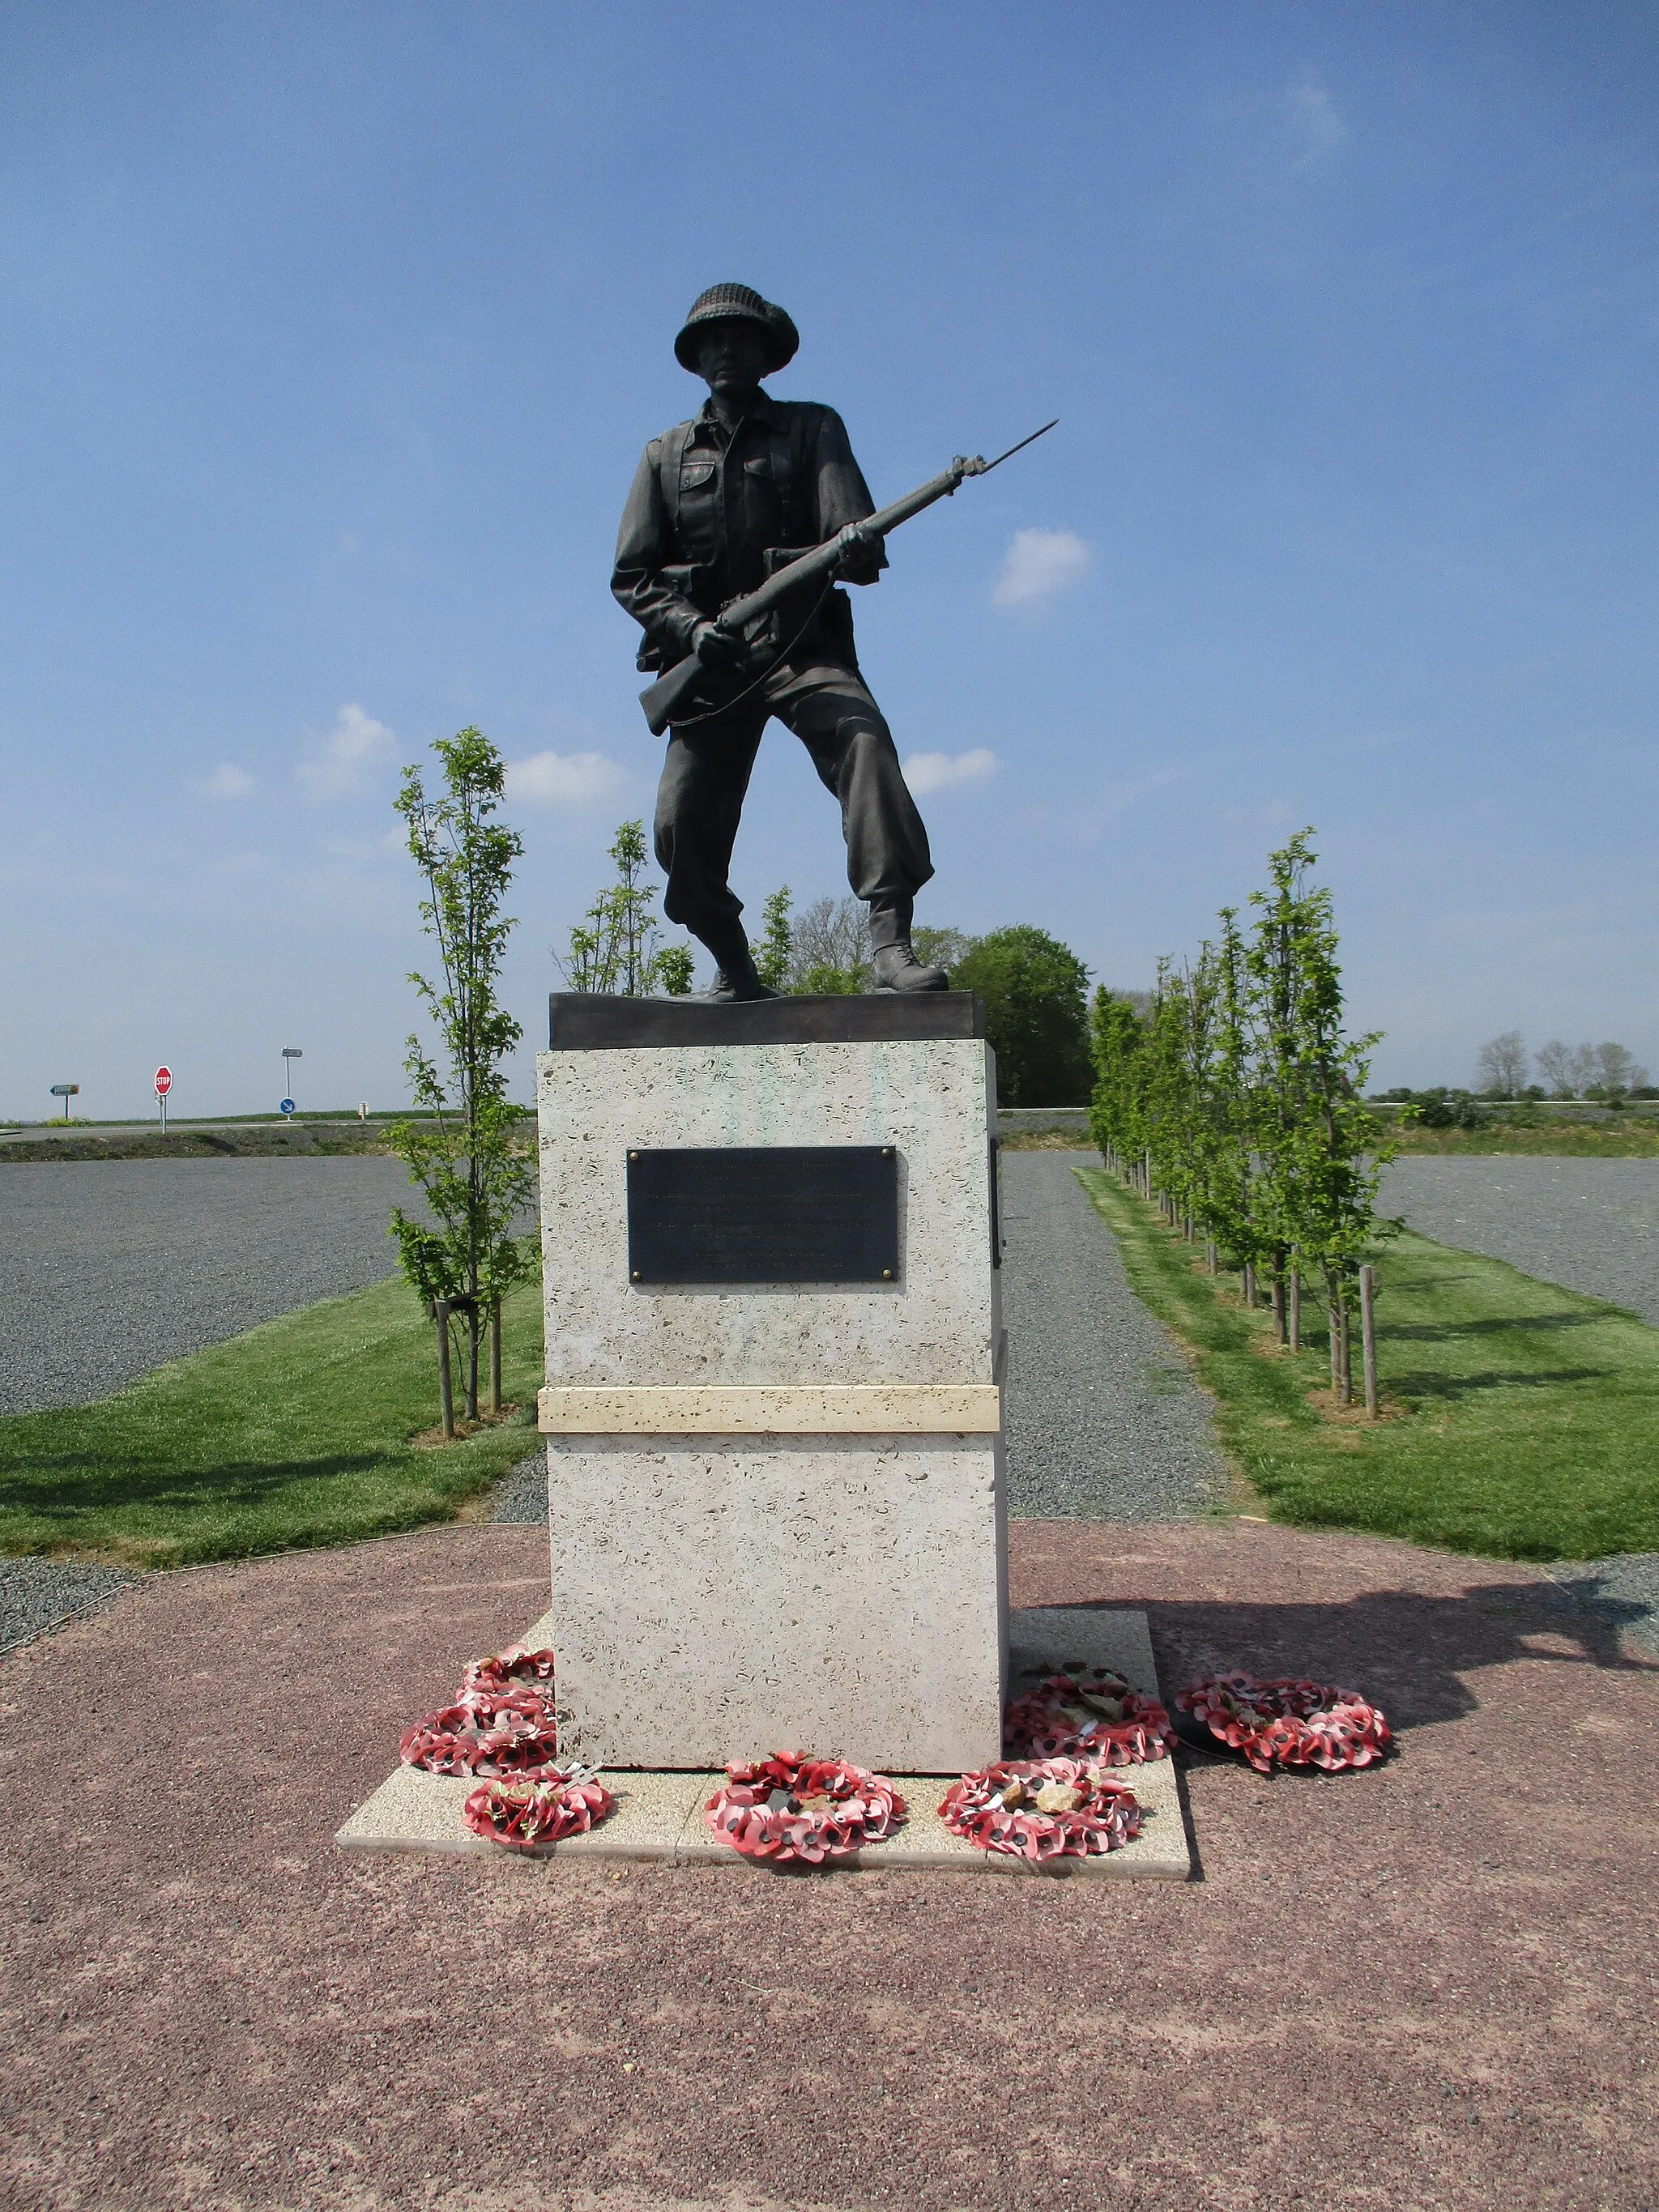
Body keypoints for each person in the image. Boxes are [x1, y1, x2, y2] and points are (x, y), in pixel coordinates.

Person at [612, 283, 948, 999]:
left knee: (865, 743)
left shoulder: (813, 429)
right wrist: (694, 630)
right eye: (712, 340)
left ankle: (890, 943)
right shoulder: (662, 456)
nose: (726, 350)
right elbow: (634, 577)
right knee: (678, 826)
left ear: (767, 353)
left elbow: (853, 545)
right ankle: (733, 963)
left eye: (740, 338)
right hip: (710, 666)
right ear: (696, 357)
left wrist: (856, 546)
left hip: (801, 646)